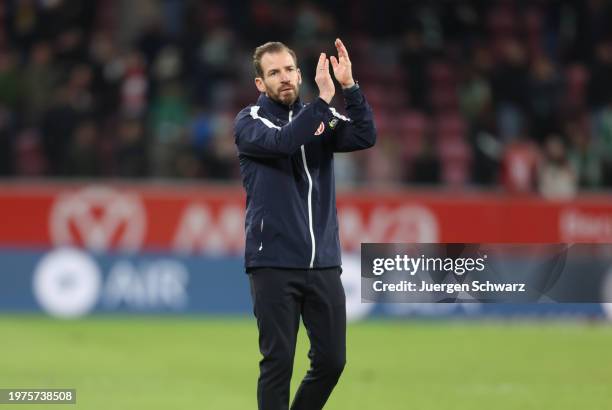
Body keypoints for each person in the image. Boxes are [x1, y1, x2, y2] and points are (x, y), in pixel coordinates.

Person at [234, 39, 376, 410]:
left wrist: (349, 88)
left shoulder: (319, 116)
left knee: (332, 362)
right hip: (273, 262)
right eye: (273, 73)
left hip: (323, 262)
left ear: (299, 74)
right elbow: (284, 142)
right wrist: (323, 104)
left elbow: (364, 135)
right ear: (260, 84)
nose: (283, 78)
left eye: (288, 70)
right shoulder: (250, 121)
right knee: (278, 364)